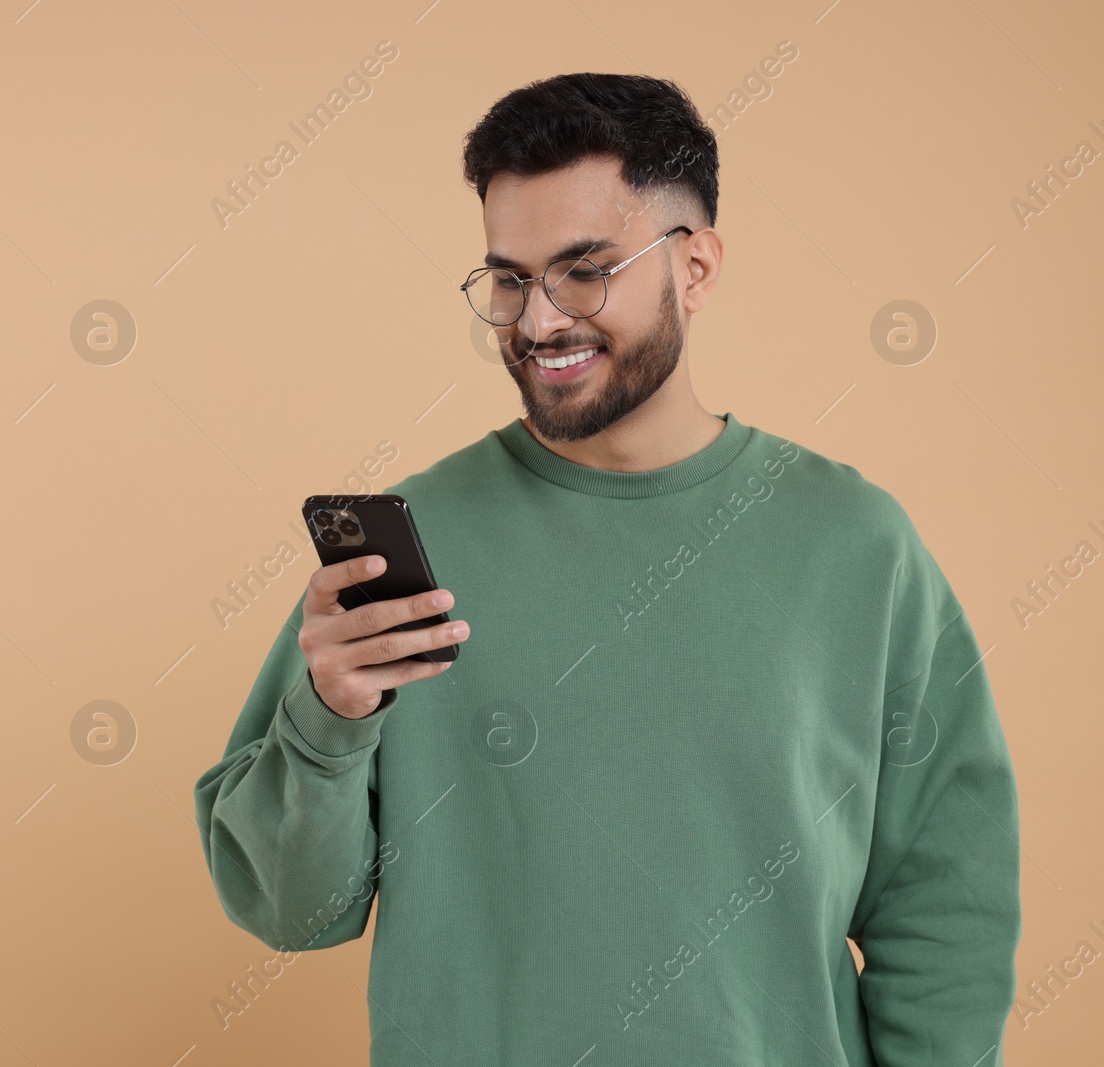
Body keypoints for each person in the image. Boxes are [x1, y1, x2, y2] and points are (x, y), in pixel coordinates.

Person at [193, 72, 1020, 1066]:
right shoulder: (413, 542)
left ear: (697, 267)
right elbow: (294, 913)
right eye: (508, 278)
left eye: (583, 271)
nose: (539, 321)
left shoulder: (853, 543)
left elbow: (945, 901)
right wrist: (330, 717)